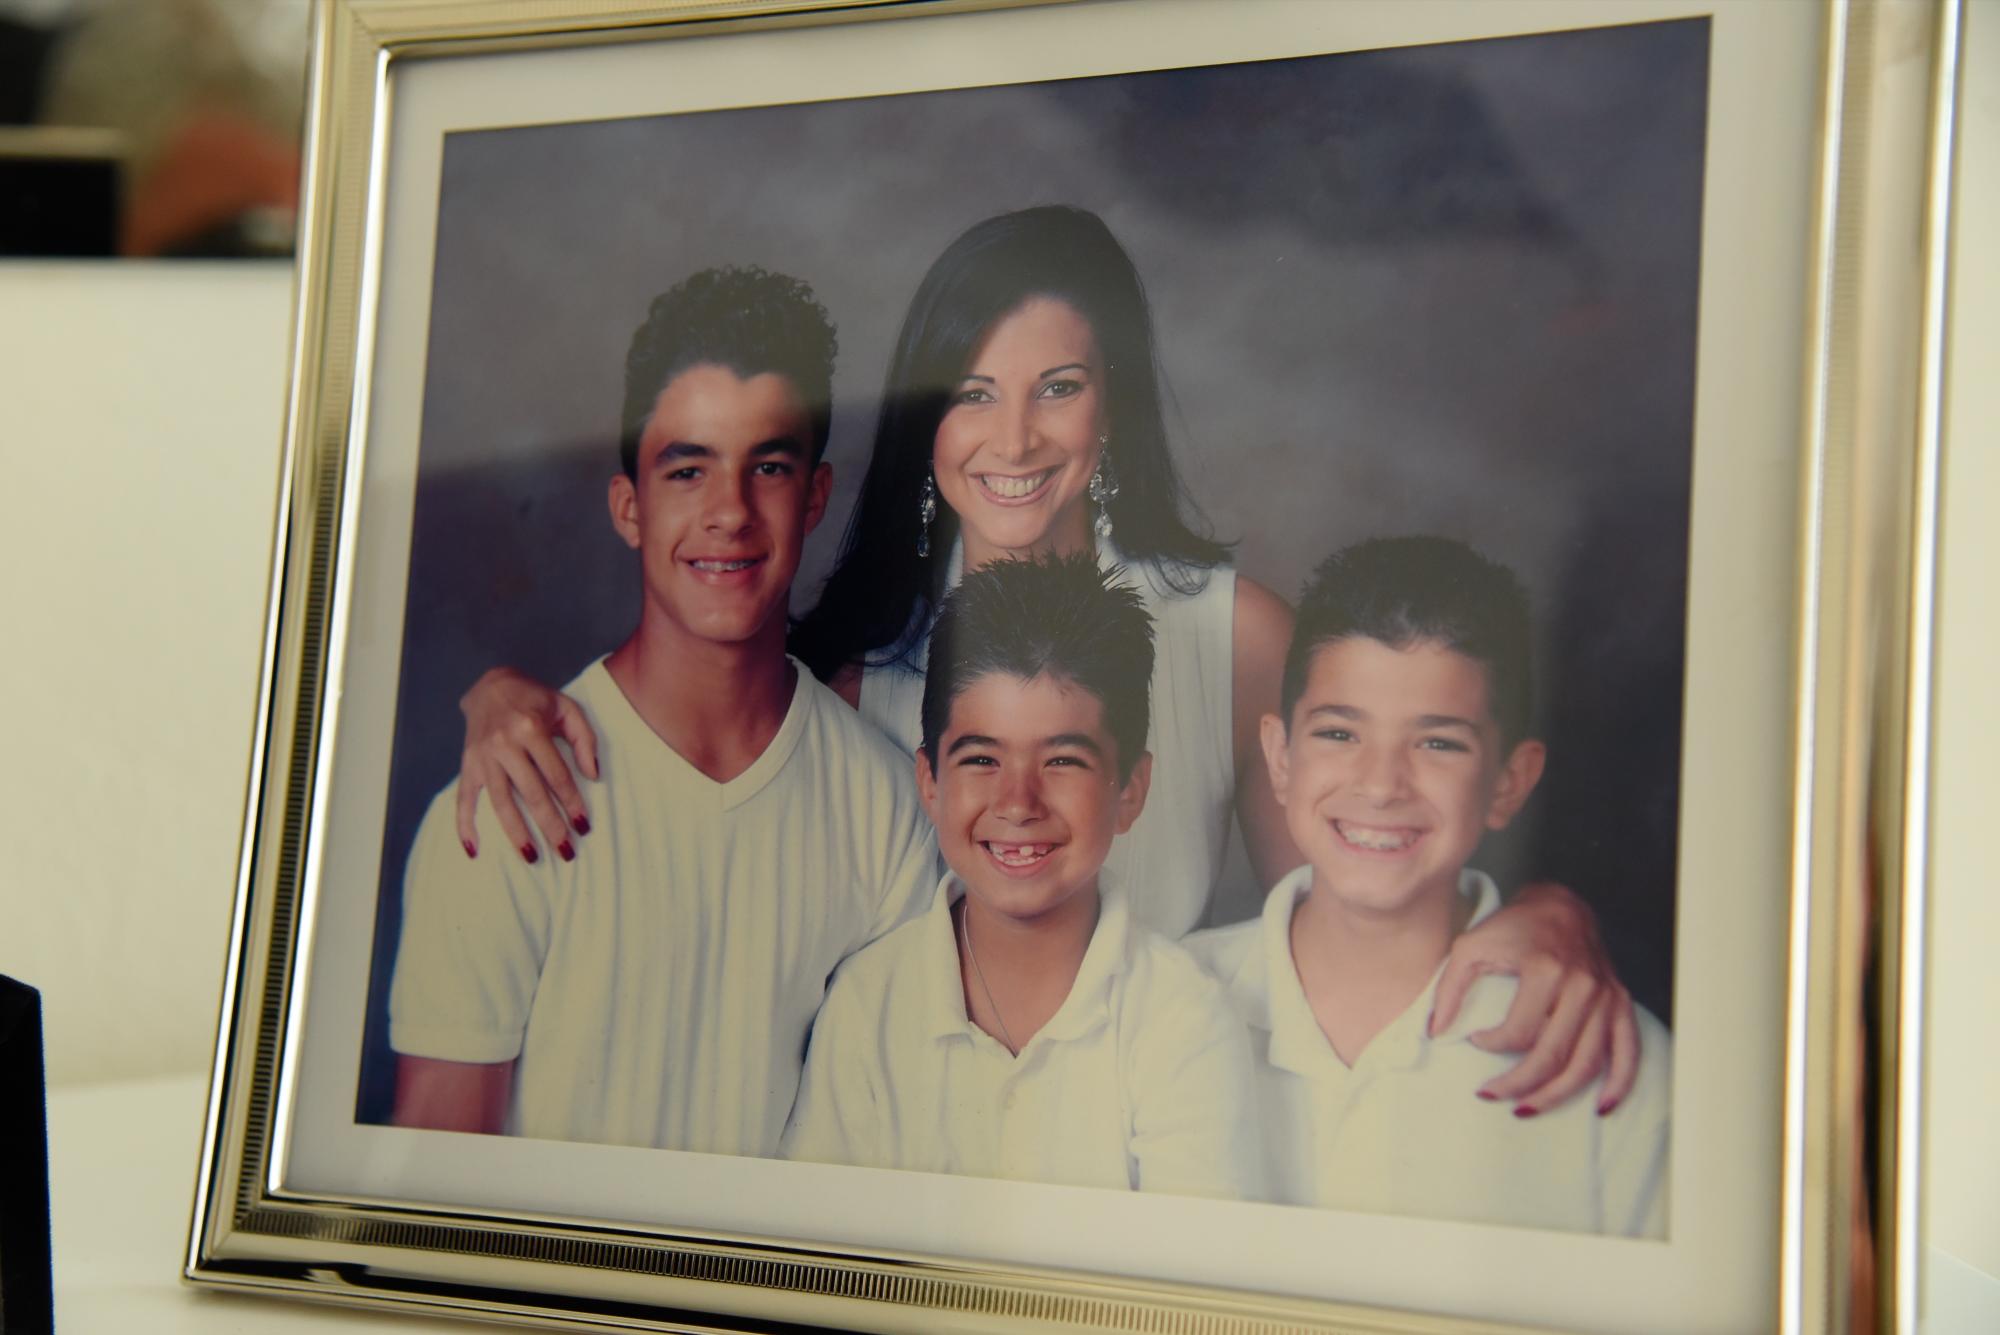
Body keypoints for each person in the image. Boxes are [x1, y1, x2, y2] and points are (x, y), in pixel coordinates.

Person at [447, 206, 1640, 1113]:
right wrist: (497, 698)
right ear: (930, 425)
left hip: (1161, 1135)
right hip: (915, 1155)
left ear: (1109, 407)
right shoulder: (852, 672)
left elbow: (1360, 920)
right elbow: (680, 763)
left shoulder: (1235, 636)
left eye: (1056, 389)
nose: (1013, 439)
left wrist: (1545, 910)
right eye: (972, 394)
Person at [385, 267, 937, 1152]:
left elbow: (890, 1139)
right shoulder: (510, 800)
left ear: (817, 498)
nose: (729, 513)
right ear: (629, 508)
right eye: (689, 470)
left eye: (768, 467)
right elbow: (429, 1182)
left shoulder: (883, 809)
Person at [1186, 538, 1670, 1233]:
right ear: (1280, 756)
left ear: (1509, 782)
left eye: (1438, 742)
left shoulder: (1613, 1060)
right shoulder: (1160, 1003)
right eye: (1339, 733)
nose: (1382, 784)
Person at [783, 553, 1261, 1198]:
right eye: (981, 758)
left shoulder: (1183, 1019)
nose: (1017, 802)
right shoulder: (868, 1005)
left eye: (1063, 759)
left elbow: (1185, 1288)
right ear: (930, 782)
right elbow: (819, 1255)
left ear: (1130, 790)